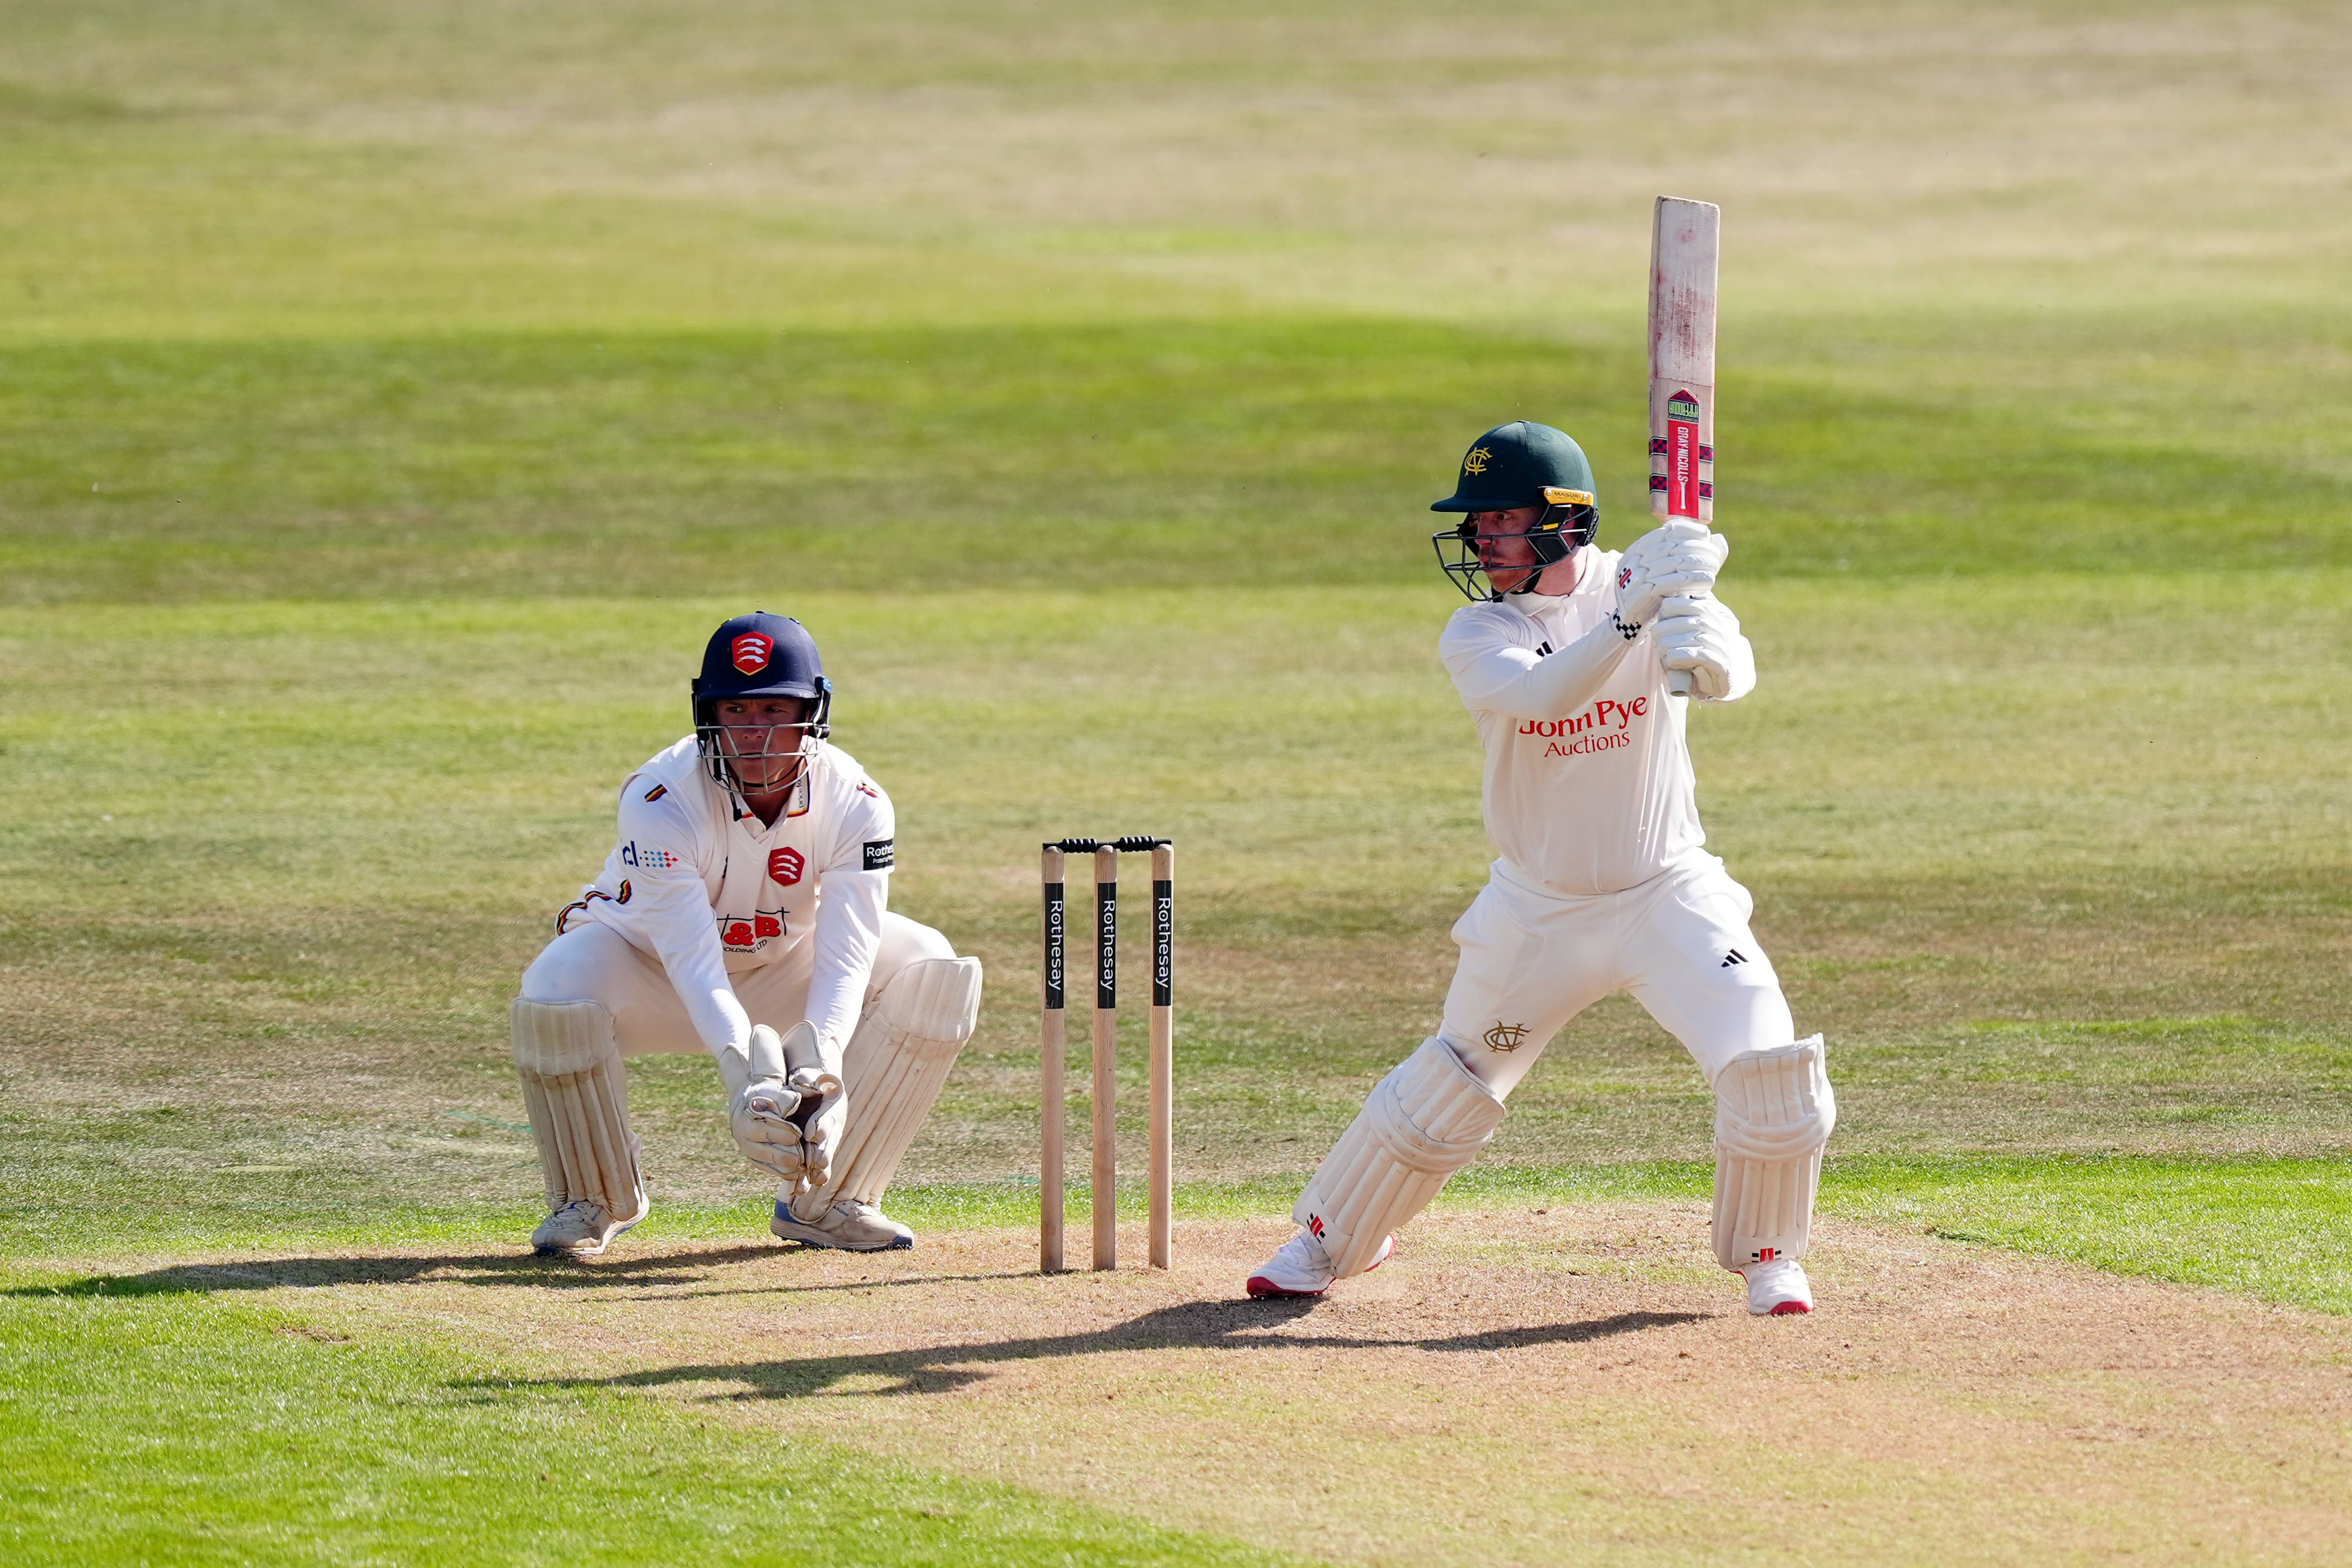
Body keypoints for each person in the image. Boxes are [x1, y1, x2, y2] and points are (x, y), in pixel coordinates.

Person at [1245, 422, 1833, 1314]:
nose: (1481, 541)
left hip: (1667, 897)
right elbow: (1535, 696)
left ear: (1562, 524)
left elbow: (1732, 670)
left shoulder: (1648, 577)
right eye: (1474, 525)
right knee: (1446, 1091)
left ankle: (1769, 1256)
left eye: (1499, 521)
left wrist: (1707, 643)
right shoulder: (1477, 629)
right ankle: (1331, 1240)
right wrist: (1634, 616)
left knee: (1770, 1072)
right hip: (1538, 916)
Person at [511, 611, 982, 1257]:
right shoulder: (660, 797)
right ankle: (594, 1198)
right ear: (709, 715)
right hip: (651, 976)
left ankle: (829, 1198)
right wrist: (741, 1077)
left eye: (774, 709)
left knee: (932, 967)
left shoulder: (858, 798)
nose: (757, 734)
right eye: (737, 710)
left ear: (813, 712)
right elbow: (691, 956)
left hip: (788, 968)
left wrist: (825, 1070)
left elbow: (848, 953)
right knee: (555, 986)